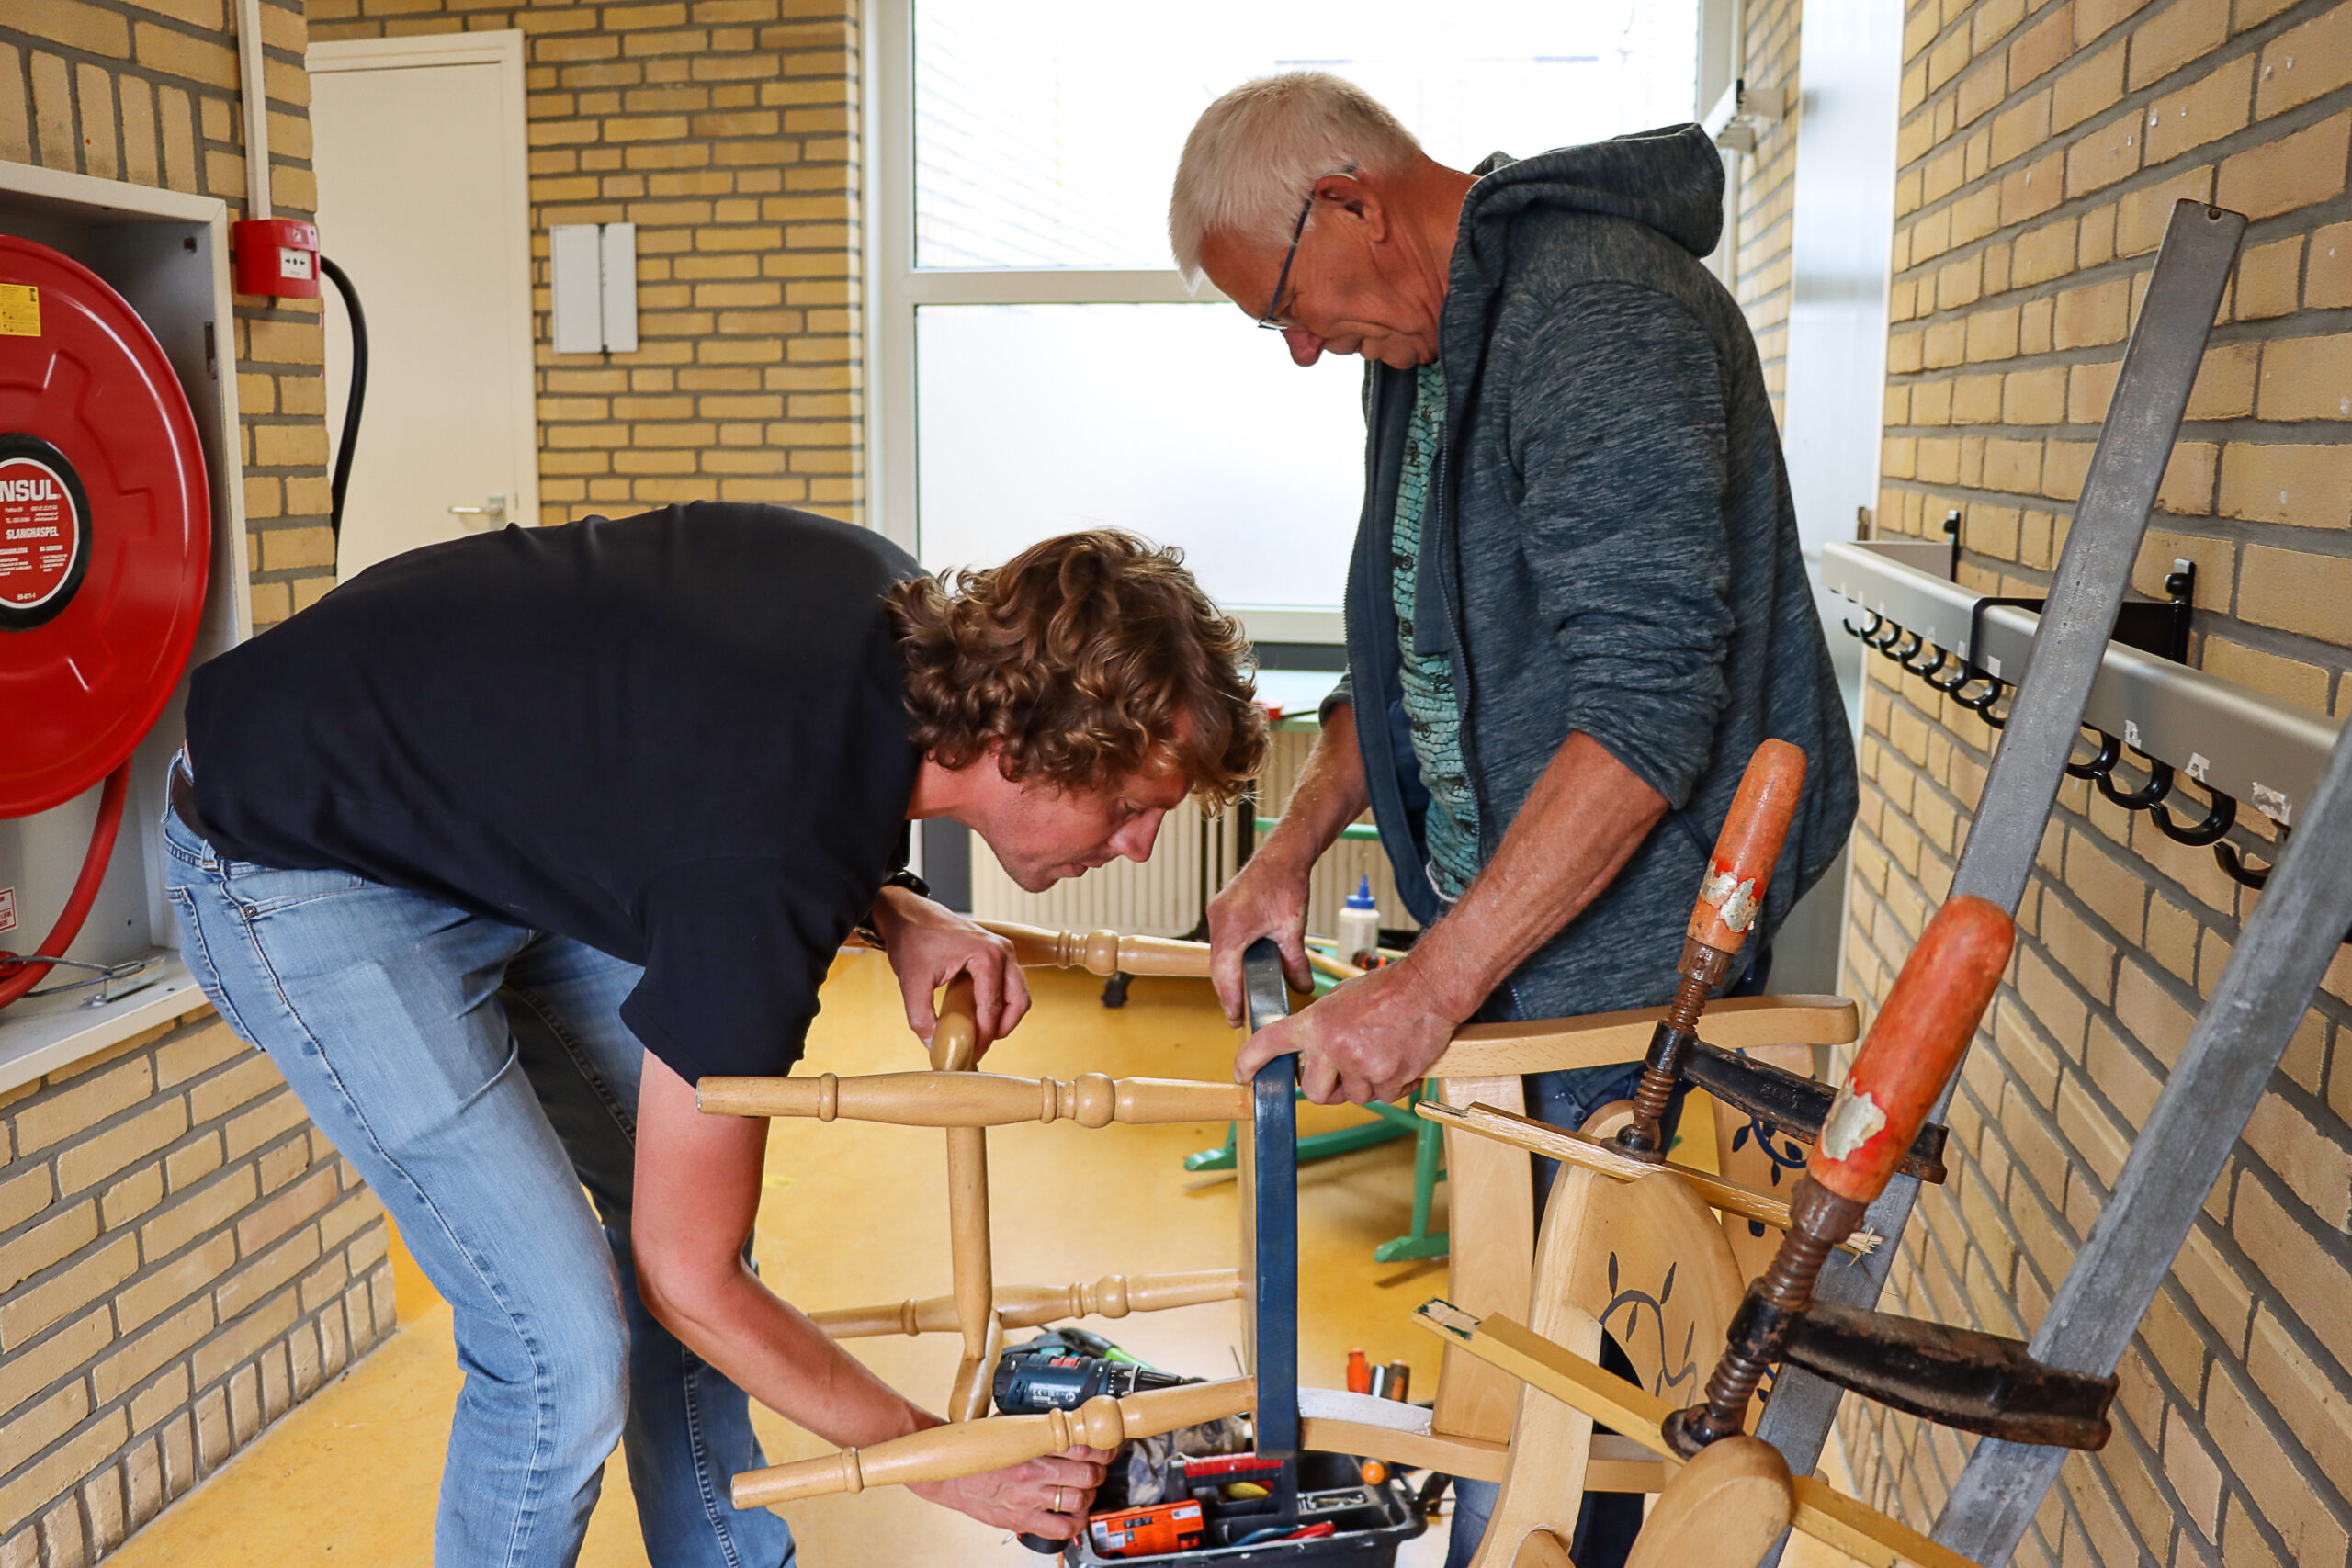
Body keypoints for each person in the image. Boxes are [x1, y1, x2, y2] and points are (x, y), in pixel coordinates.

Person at [163, 504, 1266, 1568]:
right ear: (1024, 750)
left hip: (473, 829)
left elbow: (701, 757)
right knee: (562, 1352)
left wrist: (890, 898)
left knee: (690, 1239)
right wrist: (938, 1460)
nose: (1138, 846)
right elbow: (685, 1277)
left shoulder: (894, 613)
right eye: (1132, 805)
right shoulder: (763, 869)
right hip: (297, 862)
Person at [1172, 75, 1857, 1565]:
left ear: (1350, 202)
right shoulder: (1425, 346)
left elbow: (1646, 710)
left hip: (1633, 952)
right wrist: (1288, 849)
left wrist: (1431, 983)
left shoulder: (1597, 315)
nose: (1300, 348)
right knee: (1523, 1359)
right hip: (1525, 943)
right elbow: (1408, 655)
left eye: (1284, 305)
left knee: (1591, 1387)